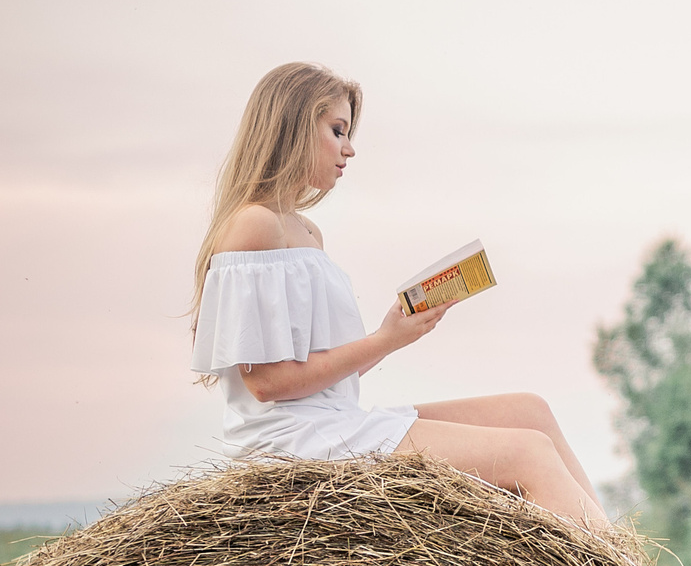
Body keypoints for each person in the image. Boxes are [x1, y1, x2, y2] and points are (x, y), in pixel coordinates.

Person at [188, 62, 608, 528]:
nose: (349, 148)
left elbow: (320, 374)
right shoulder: (255, 225)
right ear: (294, 125)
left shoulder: (305, 230)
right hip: (293, 442)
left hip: (331, 421)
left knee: (530, 413)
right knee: (528, 453)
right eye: (337, 130)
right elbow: (268, 384)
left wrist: (397, 334)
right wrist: (384, 339)